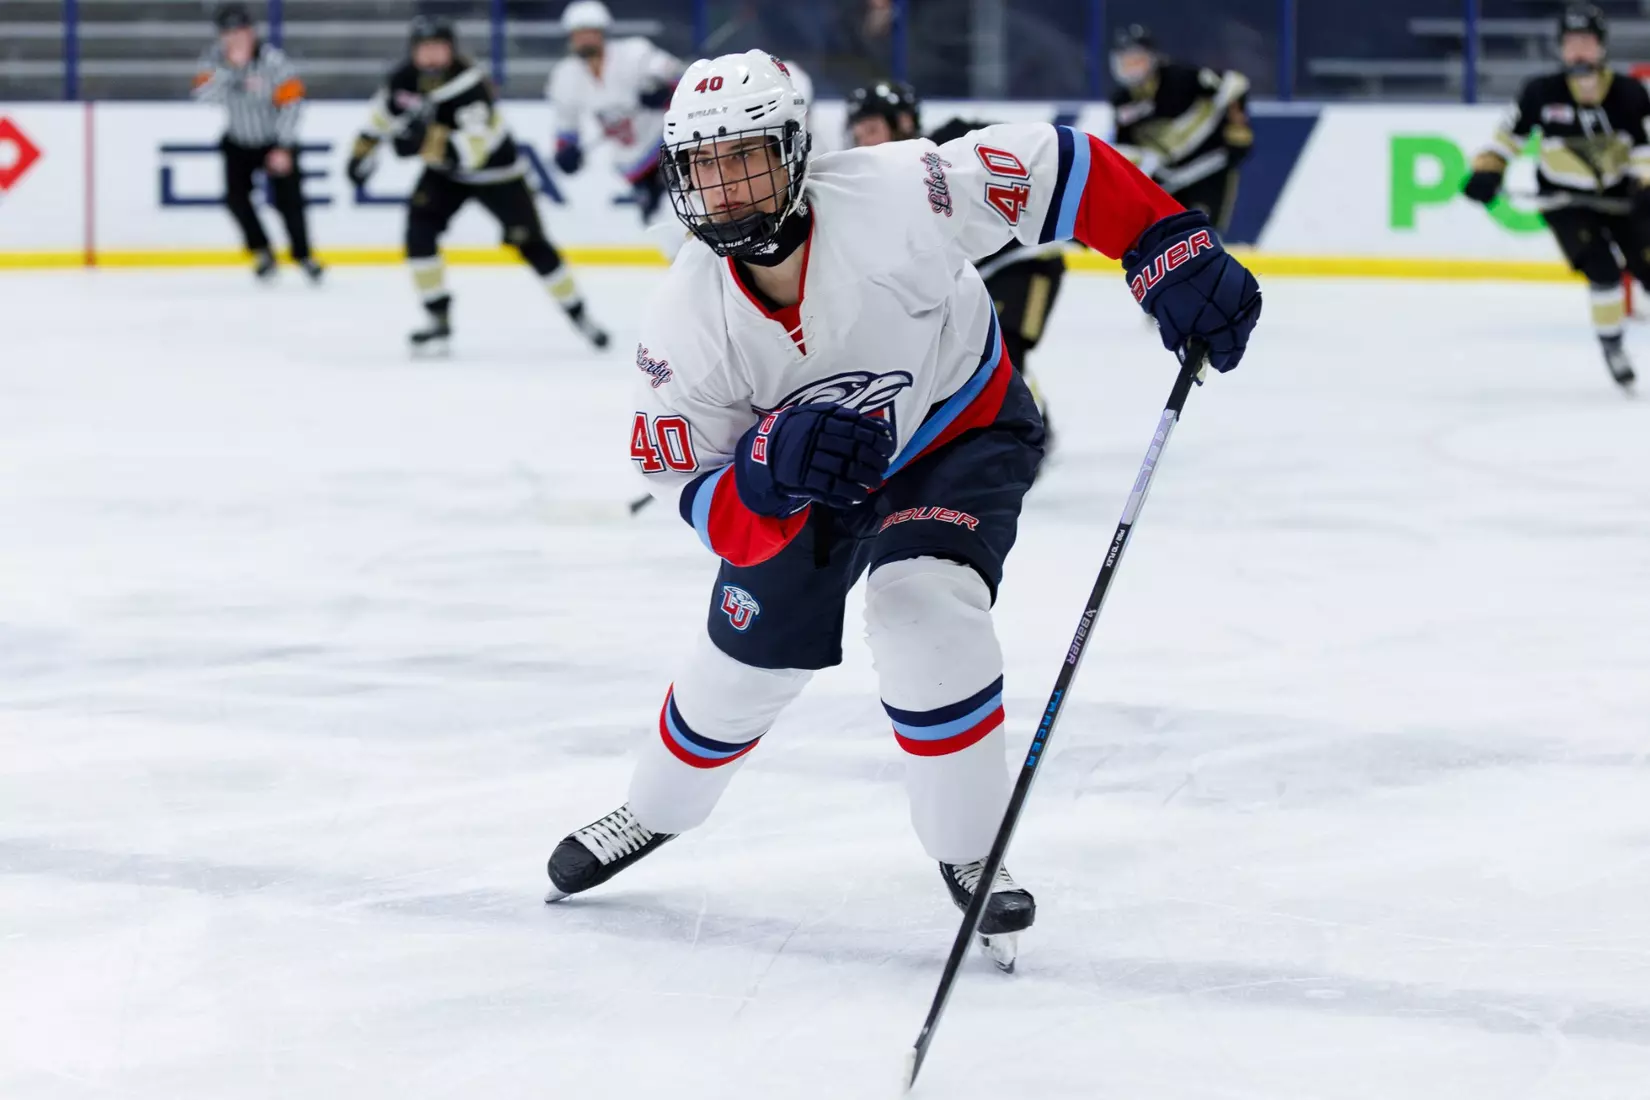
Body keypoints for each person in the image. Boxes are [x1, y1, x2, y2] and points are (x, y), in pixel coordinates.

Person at [543, 51, 1260, 967]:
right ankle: (652, 811)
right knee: (740, 667)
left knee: (922, 605)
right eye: (705, 166)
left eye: (749, 156)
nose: (726, 186)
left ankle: (970, 849)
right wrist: (765, 474)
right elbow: (695, 495)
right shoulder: (683, 323)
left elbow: (1056, 166)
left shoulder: (901, 191)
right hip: (808, 493)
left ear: (797, 151)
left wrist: (1164, 242)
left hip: (957, 429)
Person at [347, 17, 609, 352]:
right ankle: (437, 318)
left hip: (498, 175)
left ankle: (580, 314)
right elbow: (380, 118)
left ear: (451, 50)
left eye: (437, 48)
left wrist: (423, 141)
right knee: (419, 232)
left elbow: (474, 151)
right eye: (423, 48)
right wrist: (360, 154)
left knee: (533, 246)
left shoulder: (470, 84)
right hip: (446, 175)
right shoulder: (403, 79)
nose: (430, 56)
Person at [848, 79, 1069, 454]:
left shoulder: (950, 143)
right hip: (970, 280)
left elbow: (1022, 153)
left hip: (1024, 263)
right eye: (858, 134)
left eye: (871, 129)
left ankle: (1033, 431)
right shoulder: (872, 183)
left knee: (1006, 352)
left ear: (903, 121)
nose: (864, 142)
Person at [1463, 2, 1646, 390]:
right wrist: (1487, 171)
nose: (1578, 50)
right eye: (1571, 41)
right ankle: (1613, 346)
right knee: (1604, 272)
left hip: (1622, 198)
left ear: (1601, 46)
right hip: (1565, 204)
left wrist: (1647, 186)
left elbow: (1646, 149)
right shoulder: (1540, 93)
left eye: (1587, 41)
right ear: (1561, 48)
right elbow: (1505, 140)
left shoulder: (1629, 93)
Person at [191, 3, 321, 283]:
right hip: (239, 140)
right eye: (228, 33)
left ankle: (304, 255)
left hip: (274, 141)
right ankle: (262, 250)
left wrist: (284, 147)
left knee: (290, 203)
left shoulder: (272, 61)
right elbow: (203, 95)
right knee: (236, 200)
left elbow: (293, 103)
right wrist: (231, 72)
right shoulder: (213, 60)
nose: (235, 38)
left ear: (251, 32)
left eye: (240, 31)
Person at [1108, 25, 1252, 237]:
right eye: (1125, 62)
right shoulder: (1122, 101)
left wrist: (1238, 124)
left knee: (1207, 238)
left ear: (1152, 59)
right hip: (1170, 176)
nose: (1131, 69)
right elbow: (1128, 147)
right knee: (1168, 239)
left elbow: (1235, 84)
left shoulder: (1182, 78)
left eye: (1136, 61)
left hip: (1210, 166)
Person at [547, 0, 683, 224]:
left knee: (680, 216)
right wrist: (566, 152)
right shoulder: (565, 75)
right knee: (659, 225)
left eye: (590, 32)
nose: (584, 39)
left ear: (602, 33)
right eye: (578, 33)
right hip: (632, 164)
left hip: (668, 146)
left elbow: (685, 81)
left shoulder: (635, 53)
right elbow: (566, 126)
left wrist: (665, 93)